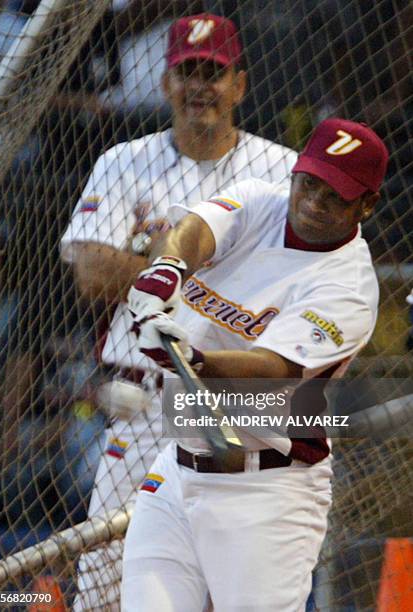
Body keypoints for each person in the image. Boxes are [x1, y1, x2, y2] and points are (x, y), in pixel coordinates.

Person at [60, 13, 297, 611]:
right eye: (187, 72)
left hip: (244, 399)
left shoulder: (284, 171)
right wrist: (224, 284)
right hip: (142, 397)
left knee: (242, 586)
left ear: (239, 84)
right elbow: (91, 273)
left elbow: (296, 289)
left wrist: (150, 271)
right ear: (165, 83)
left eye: (213, 73)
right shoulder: (122, 160)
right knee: (103, 587)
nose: (201, 87)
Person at [121, 117, 389, 611]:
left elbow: (273, 368)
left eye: (335, 196)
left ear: (366, 206)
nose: (313, 203)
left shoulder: (348, 286)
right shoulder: (258, 200)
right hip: (177, 470)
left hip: (266, 493)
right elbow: (196, 229)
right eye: (309, 184)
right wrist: (166, 270)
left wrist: (193, 359)